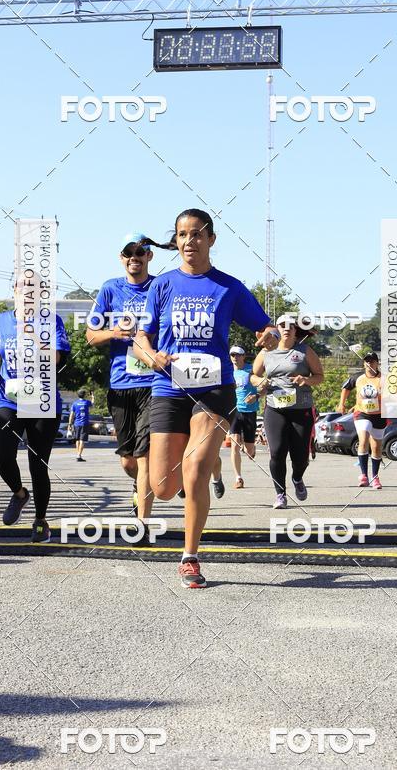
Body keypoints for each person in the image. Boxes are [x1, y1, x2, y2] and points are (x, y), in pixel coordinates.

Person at [134, 208, 278, 588]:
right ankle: (188, 483)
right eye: (182, 235)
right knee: (163, 488)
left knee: (196, 467)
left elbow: (266, 326)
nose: (188, 242)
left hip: (214, 390)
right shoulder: (162, 285)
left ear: (211, 239)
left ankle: (190, 557)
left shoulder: (228, 287)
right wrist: (152, 356)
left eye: (197, 234)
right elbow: (140, 339)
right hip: (169, 388)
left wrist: (270, 335)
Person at [0, 277, 71, 543]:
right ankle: (20, 494)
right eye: (23, 287)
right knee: (3, 455)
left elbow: (57, 357)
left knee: (38, 465)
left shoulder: (51, 321)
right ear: (15, 291)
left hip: (41, 399)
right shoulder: (1, 320)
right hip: (8, 398)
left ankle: (41, 521)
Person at [86, 232, 156, 524]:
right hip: (120, 385)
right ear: (121, 258)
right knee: (128, 461)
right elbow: (90, 336)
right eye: (129, 254)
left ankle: (142, 521)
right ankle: (140, 485)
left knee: (144, 454)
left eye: (140, 253)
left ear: (149, 256)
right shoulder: (110, 290)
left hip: (154, 384)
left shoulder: (160, 287)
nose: (134, 259)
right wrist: (115, 332)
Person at [251, 315, 324, 509]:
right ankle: (280, 494)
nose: (286, 328)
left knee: (300, 456)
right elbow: (253, 375)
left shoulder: (305, 351)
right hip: (275, 409)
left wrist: (306, 380)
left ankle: (297, 477)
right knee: (277, 452)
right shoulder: (267, 353)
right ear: (277, 328)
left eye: (291, 325)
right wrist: (260, 382)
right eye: (282, 325)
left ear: (295, 330)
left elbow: (319, 376)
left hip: (301, 410)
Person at [338, 352, 385, 489]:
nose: (369, 364)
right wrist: (342, 403)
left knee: (376, 448)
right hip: (362, 413)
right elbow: (345, 388)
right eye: (367, 362)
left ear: (377, 363)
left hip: (379, 415)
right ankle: (364, 475)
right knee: (363, 439)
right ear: (364, 363)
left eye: (372, 361)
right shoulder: (358, 377)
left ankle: (375, 477)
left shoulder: (384, 378)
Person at [228, 345, 259, 489]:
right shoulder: (227, 371)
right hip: (234, 411)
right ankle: (238, 478)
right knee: (234, 444)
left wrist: (256, 396)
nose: (235, 357)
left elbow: (262, 384)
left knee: (249, 451)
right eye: (232, 355)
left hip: (250, 411)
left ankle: (251, 449)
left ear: (243, 356)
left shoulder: (250, 369)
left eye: (237, 355)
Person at [69, 388, 93, 462]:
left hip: (76, 423)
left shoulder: (75, 403)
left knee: (77, 439)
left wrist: (70, 424)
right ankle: (79, 455)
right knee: (82, 440)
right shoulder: (87, 402)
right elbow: (92, 405)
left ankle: (78, 454)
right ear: (84, 395)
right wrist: (92, 397)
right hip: (84, 423)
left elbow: (71, 414)